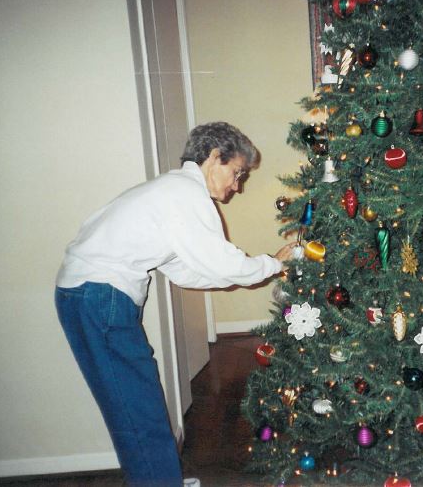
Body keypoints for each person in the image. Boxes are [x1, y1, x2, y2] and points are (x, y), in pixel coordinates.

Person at [55, 122, 297, 487]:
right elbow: (223, 262)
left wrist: (258, 269)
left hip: (88, 295)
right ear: (215, 156)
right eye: (236, 173)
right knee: (138, 409)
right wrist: (274, 263)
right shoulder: (186, 194)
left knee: (134, 406)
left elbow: (185, 269)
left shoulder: (171, 191)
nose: (237, 185)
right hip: (98, 297)